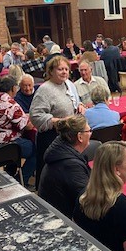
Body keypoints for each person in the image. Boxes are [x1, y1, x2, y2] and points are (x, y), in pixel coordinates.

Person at [30, 55, 85, 188]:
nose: (64, 72)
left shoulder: (69, 85)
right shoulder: (45, 89)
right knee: (52, 181)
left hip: (68, 136)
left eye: (66, 69)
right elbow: (35, 116)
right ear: (51, 71)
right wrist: (59, 121)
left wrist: (80, 105)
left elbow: (75, 101)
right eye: (60, 69)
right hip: (51, 139)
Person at [0, 76, 36, 187]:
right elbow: (28, 127)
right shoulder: (11, 104)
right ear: (13, 88)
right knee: (35, 149)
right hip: (1, 148)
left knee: (20, 143)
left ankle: (9, 174)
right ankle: (20, 181)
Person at [38, 114, 92, 219]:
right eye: (89, 131)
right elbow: (88, 201)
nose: (90, 133)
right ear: (80, 137)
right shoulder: (70, 166)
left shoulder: (61, 152)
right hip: (64, 220)